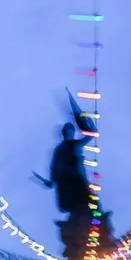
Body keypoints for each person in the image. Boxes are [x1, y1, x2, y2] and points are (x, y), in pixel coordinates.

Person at [34, 89, 96, 217]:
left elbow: (92, 133)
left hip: (76, 182)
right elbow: (54, 168)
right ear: (64, 133)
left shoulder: (74, 144)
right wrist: (50, 181)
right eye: (68, 131)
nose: (69, 133)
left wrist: (84, 118)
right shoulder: (60, 149)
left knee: (89, 210)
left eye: (71, 131)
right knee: (81, 210)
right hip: (69, 185)